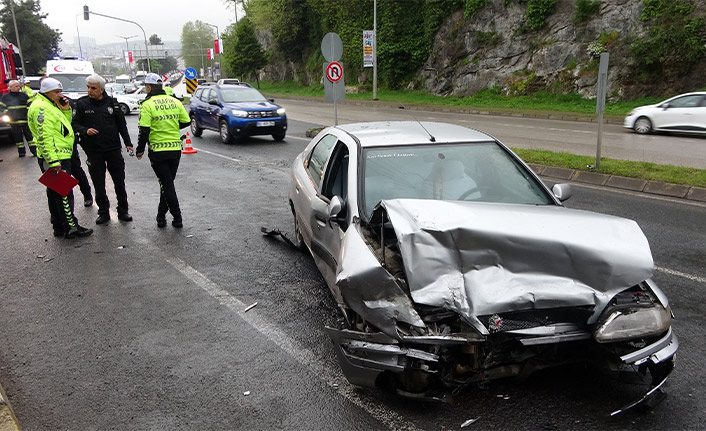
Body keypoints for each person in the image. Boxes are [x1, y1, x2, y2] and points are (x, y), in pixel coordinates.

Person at [28, 78, 93, 239]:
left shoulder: (50, 105)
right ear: (46, 92)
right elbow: (44, 137)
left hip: (61, 155)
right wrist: (53, 161)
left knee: (55, 193)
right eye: (56, 92)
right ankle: (71, 227)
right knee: (63, 193)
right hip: (57, 157)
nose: (60, 95)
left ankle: (59, 226)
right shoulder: (41, 108)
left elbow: (63, 127)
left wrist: (65, 110)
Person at [72, 74, 134, 225]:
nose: (89, 90)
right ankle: (103, 212)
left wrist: (128, 143)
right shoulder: (82, 104)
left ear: (101, 89)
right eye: (88, 87)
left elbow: (121, 125)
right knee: (98, 183)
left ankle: (123, 210)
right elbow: (74, 124)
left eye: (93, 88)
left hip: (113, 148)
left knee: (119, 181)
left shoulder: (112, 103)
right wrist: (85, 130)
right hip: (94, 151)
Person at [136, 73, 190, 228]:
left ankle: (178, 217)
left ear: (148, 87)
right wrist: (172, 127)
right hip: (175, 149)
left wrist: (140, 150)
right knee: (166, 184)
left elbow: (144, 130)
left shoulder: (147, 104)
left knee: (167, 185)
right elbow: (185, 121)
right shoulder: (174, 101)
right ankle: (160, 216)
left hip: (158, 151)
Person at [0, 79, 35, 157]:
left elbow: (30, 106)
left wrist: (28, 113)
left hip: (25, 120)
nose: (18, 87)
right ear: (11, 87)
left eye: (18, 86)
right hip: (14, 121)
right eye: (16, 86)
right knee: (18, 138)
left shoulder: (24, 96)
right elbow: (2, 108)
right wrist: (9, 114)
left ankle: (34, 151)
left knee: (29, 137)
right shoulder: (5, 97)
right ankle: (21, 152)